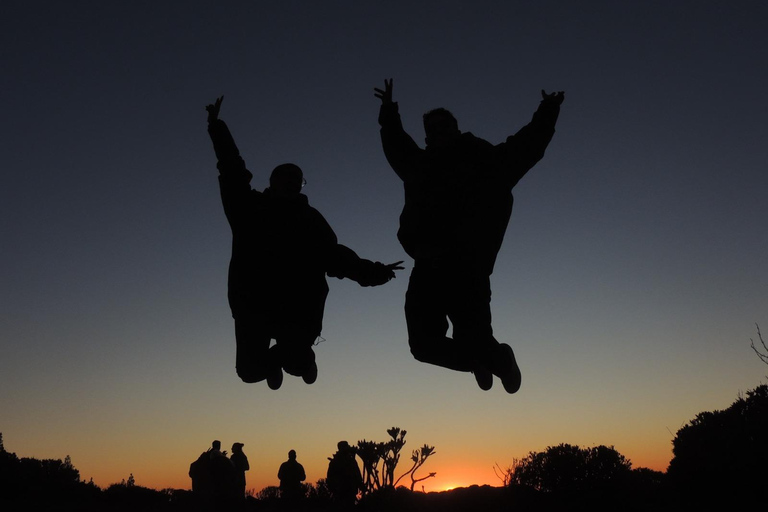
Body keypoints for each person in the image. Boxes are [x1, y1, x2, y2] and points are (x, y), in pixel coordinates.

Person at [374, 79, 564, 393]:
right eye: (432, 128)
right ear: (427, 136)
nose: (439, 131)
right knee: (423, 345)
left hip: (468, 266)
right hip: (427, 265)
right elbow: (396, 144)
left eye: (445, 125)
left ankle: (499, 359)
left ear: (456, 127)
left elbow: (527, 146)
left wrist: (547, 111)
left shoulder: (486, 162)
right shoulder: (419, 166)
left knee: (472, 337)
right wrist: (389, 112)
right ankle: (481, 360)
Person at [206, 97, 403, 389]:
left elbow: (335, 257)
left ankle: (301, 360)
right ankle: (274, 363)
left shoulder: (309, 220)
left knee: (297, 365)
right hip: (254, 304)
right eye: (286, 179)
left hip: (299, 307)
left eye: (297, 180)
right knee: (248, 372)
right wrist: (216, 127)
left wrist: (373, 272)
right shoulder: (248, 209)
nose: (292, 183)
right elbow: (232, 170)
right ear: (272, 183)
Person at [326, 441, 363, 507]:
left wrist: (360, 484)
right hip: (341, 490)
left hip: (350, 489)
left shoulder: (350, 460)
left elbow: (357, 473)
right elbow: (330, 476)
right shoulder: (337, 461)